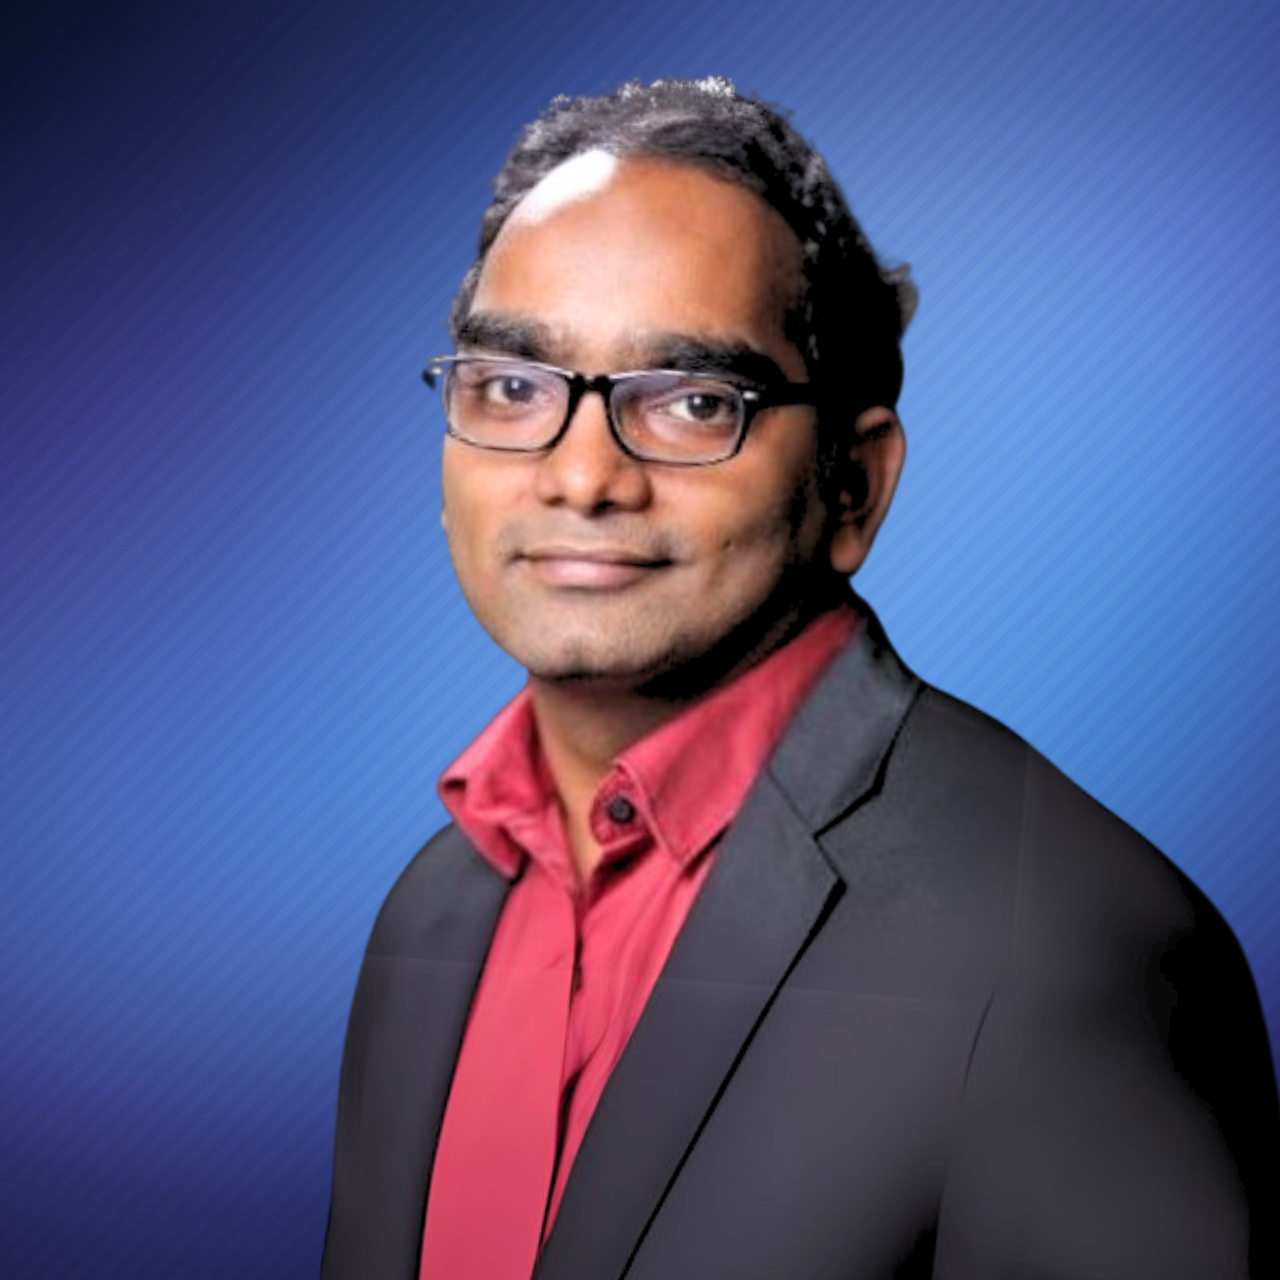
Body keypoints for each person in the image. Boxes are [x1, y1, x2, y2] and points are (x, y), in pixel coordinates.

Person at [320, 79, 1279, 1280]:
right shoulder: (433, 908)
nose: (578, 477)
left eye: (690, 401)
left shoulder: (1068, 946)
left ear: (850, 486)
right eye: (513, 386)